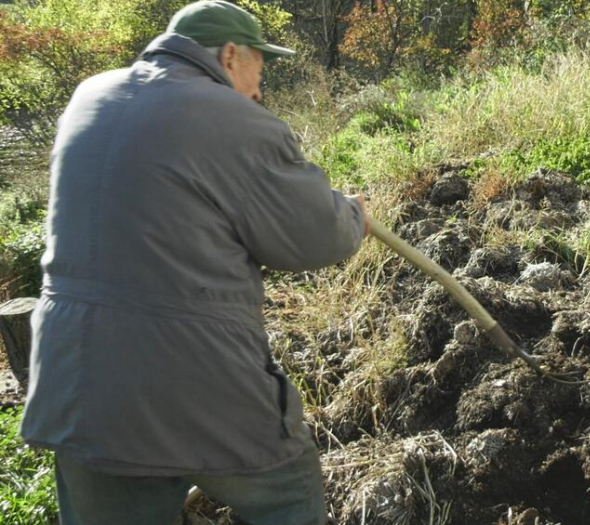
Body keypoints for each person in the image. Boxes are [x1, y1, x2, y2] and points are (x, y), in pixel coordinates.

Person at [19, 2, 369, 524]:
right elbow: (313, 238)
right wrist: (352, 217)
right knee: (288, 495)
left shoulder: (88, 96)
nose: (259, 87)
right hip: (200, 383)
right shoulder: (234, 117)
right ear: (231, 55)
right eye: (259, 67)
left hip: (78, 389)